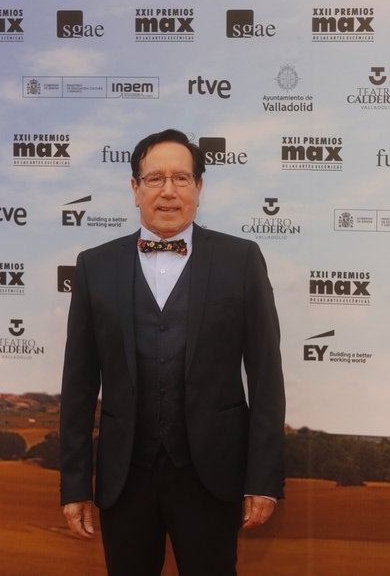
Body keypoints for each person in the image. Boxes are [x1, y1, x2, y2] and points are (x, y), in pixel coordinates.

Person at [60, 128, 285, 576]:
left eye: (181, 178)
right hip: (125, 481)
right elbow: (79, 385)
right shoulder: (95, 266)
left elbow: (265, 376)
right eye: (155, 178)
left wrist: (263, 479)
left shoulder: (241, 260)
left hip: (213, 479)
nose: (168, 191)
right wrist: (74, 484)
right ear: (135, 189)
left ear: (199, 188)